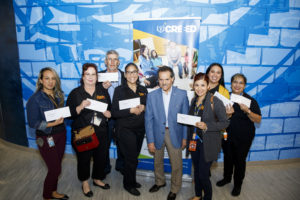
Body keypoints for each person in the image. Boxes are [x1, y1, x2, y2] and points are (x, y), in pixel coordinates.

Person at [66, 63, 111, 198]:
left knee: (101, 158)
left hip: (101, 131)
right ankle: (85, 182)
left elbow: (109, 109)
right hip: (83, 132)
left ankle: (97, 179)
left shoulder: (102, 91)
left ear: (97, 77)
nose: (90, 77)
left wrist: (109, 113)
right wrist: (80, 106)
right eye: (88, 74)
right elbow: (69, 113)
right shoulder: (75, 93)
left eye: (93, 74)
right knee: (84, 159)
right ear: (83, 76)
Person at [145, 66, 189, 200]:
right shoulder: (152, 96)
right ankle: (160, 182)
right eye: (161, 79)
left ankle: (175, 189)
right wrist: (150, 140)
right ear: (158, 80)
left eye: (167, 79)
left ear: (172, 79)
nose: (164, 82)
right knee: (157, 161)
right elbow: (148, 119)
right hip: (157, 133)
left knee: (176, 164)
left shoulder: (182, 94)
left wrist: (185, 138)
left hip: (174, 134)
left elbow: (185, 118)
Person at [26, 67, 69, 200]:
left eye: (53, 78)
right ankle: (46, 196)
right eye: (47, 78)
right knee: (55, 169)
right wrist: (53, 124)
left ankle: (53, 191)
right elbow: (34, 123)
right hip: (46, 137)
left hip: (61, 134)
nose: (50, 82)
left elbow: (61, 114)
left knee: (57, 166)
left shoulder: (58, 95)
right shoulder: (35, 99)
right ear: (40, 80)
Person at [216, 73, 261, 196]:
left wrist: (248, 111)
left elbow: (258, 119)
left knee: (239, 161)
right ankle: (226, 178)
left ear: (244, 85)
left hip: (244, 137)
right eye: (235, 82)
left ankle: (237, 185)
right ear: (231, 84)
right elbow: (218, 117)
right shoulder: (225, 97)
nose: (237, 85)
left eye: (241, 83)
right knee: (228, 157)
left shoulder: (250, 101)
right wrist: (227, 114)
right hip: (226, 134)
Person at [187, 73, 229, 200]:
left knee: (204, 174)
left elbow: (225, 122)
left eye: (202, 85)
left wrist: (207, 126)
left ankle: (208, 197)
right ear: (193, 86)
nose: (199, 88)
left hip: (209, 143)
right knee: (197, 172)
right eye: (197, 85)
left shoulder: (215, 101)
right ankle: (198, 195)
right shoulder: (194, 100)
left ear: (208, 86)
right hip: (195, 142)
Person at [111, 63, 148, 196]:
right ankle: (128, 184)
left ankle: (131, 180)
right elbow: (114, 112)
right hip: (125, 129)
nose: (132, 75)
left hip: (140, 129)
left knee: (134, 157)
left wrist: (144, 106)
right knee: (131, 158)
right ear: (125, 75)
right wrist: (130, 110)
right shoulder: (119, 90)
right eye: (129, 72)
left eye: (134, 72)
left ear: (138, 73)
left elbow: (148, 105)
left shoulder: (143, 89)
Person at [99, 50, 126, 176]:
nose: (112, 62)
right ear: (105, 61)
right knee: (104, 144)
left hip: (121, 116)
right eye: (109, 59)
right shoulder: (98, 77)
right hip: (105, 116)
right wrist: (102, 89)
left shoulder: (125, 76)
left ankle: (121, 166)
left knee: (122, 143)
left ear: (119, 62)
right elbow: (93, 95)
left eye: (115, 59)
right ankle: (104, 168)